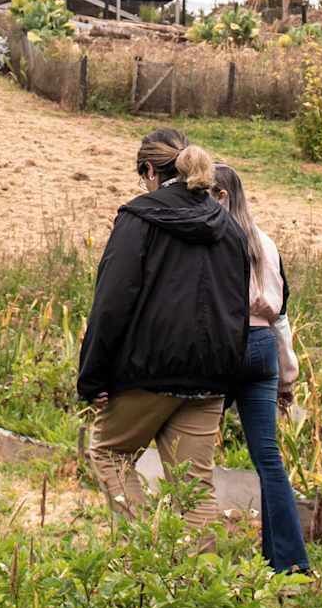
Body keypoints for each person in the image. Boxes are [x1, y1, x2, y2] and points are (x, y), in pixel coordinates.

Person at [76, 128, 251, 516]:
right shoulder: (229, 229)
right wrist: (229, 377)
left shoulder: (138, 219)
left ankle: (146, 555)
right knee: (194, 490)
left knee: (110, 453)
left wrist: (92, 378)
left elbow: (111, 303)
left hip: (148, 371)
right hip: (211, 374)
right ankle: (199, 574)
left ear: (150, 171)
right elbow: (239, 307)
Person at [212, 163, 311, 574]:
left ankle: (183, 546)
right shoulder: (265, 244)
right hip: (263, 347)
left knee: (190, 449)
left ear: (219, 195)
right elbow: (281, 314)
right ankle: (288, 561)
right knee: (268, 458)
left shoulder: (216, 240)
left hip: (225, 345)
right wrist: (288, 374)